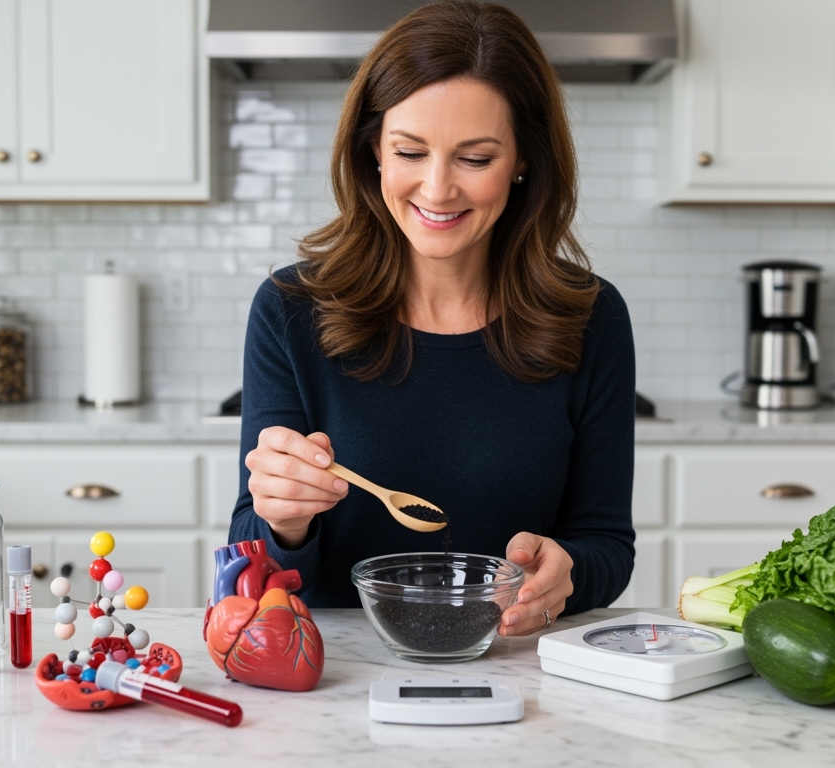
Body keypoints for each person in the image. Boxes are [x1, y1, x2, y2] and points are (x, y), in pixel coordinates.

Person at [229, 0, 635, 637]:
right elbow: (250, 558)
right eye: (410, 152)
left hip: (518, 671)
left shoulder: (590, 316)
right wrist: (284, 522)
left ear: (524, 159)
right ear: (374, 153)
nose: (438, 189)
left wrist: (569, 571)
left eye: (475, 159)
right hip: (335, 682)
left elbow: (606, 543)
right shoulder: (291, 309)